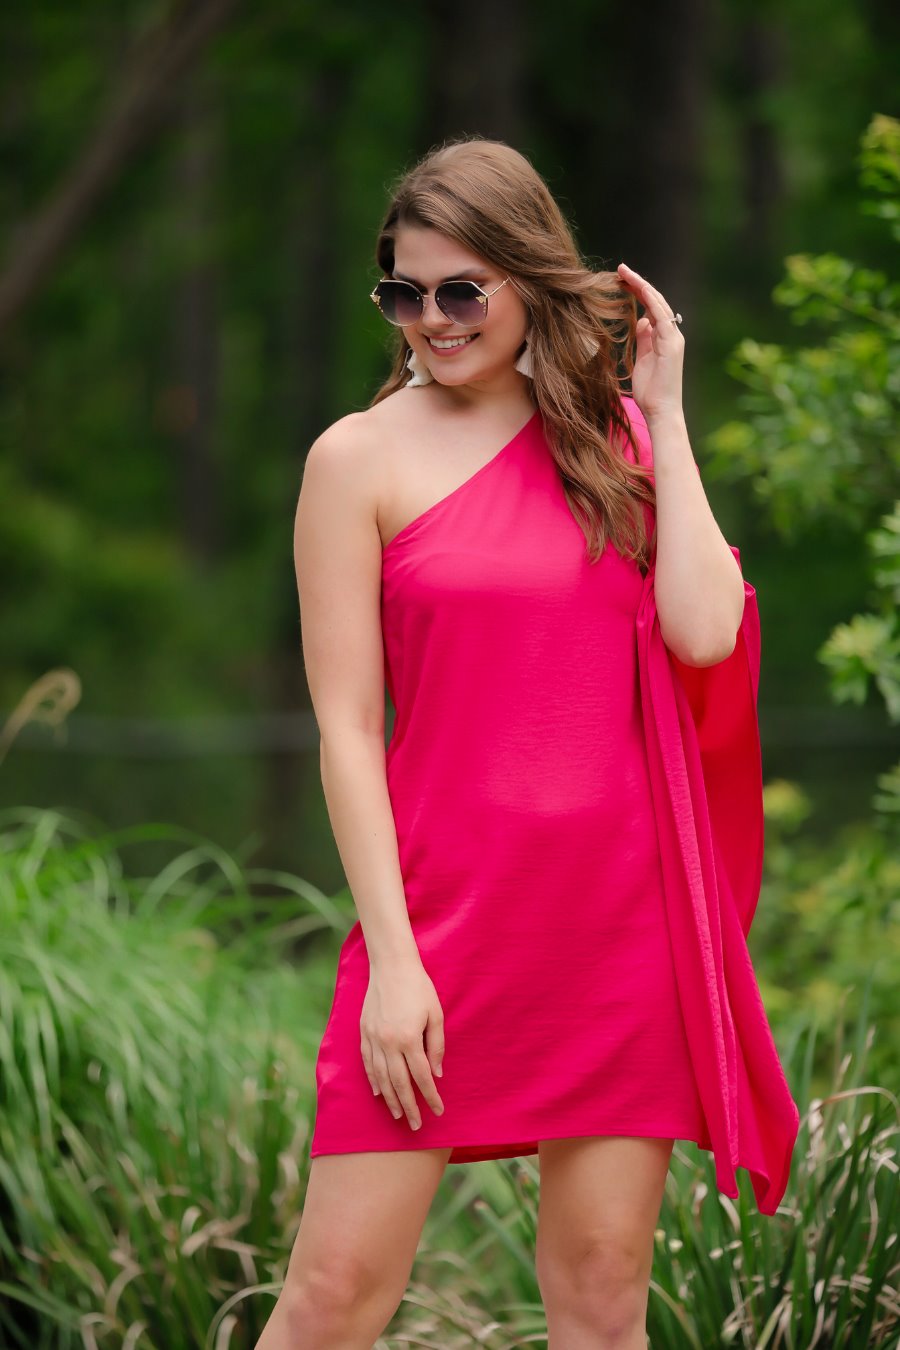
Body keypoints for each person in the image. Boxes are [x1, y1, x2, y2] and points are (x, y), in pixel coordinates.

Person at [255, 135, 800, 1350]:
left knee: (603, 1297)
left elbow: (707, 630)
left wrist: (663, 415)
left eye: (461, 292)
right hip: (438, 928)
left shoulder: (613, 443)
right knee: (333, 1298)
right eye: (404, 294)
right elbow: (347, 728)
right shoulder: (355, 459)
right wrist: (394, 964)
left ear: (527, 278)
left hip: (617, 933)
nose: (431, 322)